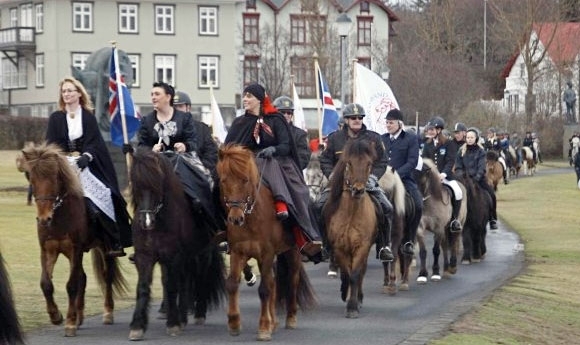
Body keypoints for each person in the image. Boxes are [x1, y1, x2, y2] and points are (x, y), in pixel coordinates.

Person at [224, 82, 322, 262]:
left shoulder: (275, 119)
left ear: (259, 99)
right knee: (222, 182)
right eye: (244, 96)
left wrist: (273, 150)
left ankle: (289, 214)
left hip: (277, 160)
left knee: (294, 186)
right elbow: (228, 146)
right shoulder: (240, 122)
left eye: (249, 96)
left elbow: (286, 145)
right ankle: (222, 229)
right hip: (245, 163)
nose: (245, 99)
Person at [46, 76, 131, 257]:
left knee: (106, 194)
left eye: (70, 90)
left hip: (86, 164)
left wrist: (86, 156)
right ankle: (48, 232)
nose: (67, 94)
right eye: (64, 91)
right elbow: (51, 143)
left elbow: (94, 143)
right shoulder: (56, 118)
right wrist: (63, 159)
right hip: (63, 165)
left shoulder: (88, 117)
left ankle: (113, 239)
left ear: (79, 93)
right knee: (45, 193)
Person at [134, 82, 218, 229]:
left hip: (181, 160)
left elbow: (193, 141)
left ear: (168, 97)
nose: (153, 97)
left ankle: (199, 205)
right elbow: (141, 145)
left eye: (157, 94)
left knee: (203, 180)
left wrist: (184, 146)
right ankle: (142, 218)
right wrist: (151, 149)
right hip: (156, 163)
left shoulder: (184, 118)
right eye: (152, 94)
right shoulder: (147, 120)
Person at [319, 103, 394, 262]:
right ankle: (324, 245)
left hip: (366, 183)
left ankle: (383, 246)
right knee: (318, 206)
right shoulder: (335, 138)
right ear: (346, 120)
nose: (357, 120)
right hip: (339, 184)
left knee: (386, 207)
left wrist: (373, 177)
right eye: (353, 118)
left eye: (360, 117)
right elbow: (325, 159)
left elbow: (382, 161)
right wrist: (332, 175)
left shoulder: (373, 138)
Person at [381, 109, 423, 255]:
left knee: (418, 205)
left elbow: (412, 161)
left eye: (391, 123)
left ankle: (409, 240)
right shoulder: (383, 139)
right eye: (386, 123)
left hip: (404, 179)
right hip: (383, 181)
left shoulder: (410, 138)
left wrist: (396, 175)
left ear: (399, 123)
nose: (388, 125)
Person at [421, 116, 463, 232]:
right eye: (428, 129)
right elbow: (424, 160)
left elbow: (450, 161)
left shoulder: (449, 144)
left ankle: (455, 220)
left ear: (439, 130)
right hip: (430, 177)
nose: (429, 131)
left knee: (458, 191)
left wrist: (443, 174)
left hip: (445, 176)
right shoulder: (427, 144)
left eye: (432, 129)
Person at [455, 128, 499, 230]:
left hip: (478, 179)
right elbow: (458, 166)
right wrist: (461, 176)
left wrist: (476, 178)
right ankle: (454, 219)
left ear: (476, 138)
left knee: (491, 194)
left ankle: (492, 218)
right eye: (468, 137)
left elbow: (482, 167)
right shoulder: (461, 151)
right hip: (463, 179)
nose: (469, 139)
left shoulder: (481, 152)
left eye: (472, 137)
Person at [273, 96, 311, 170]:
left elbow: (304, 156)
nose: (286, 115)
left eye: (289, 112)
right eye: (282, 112)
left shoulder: (300, 134)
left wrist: (289, 168)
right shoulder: (268, 131)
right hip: (270, 170)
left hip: (291, 172)